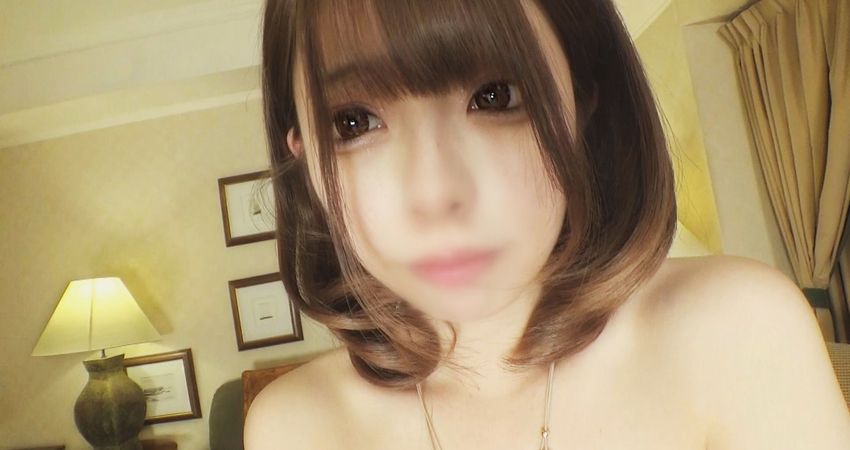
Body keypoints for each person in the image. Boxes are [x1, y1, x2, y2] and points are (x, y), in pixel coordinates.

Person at [244, 0, 850, 448]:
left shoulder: (735, 332)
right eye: (352, 122)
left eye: (496, 96)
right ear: (305, 157)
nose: (436, 194)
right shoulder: (295, 426)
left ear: (581, 103)